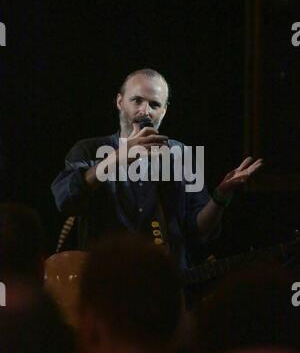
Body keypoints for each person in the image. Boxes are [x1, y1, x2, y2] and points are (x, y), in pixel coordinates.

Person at [51, 68, 262, 269]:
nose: (145, 111)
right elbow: (66, 199)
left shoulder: (182, 154)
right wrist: (119, 157)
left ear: (164, 110)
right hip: (106, 283)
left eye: (154, 104)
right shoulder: (89, 149)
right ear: (119, 101)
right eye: (137, 100)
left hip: (164, 283)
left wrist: (220, 196)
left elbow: (197, 231)